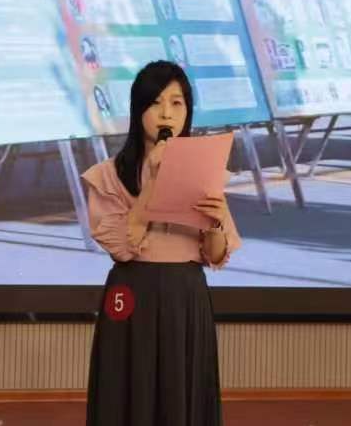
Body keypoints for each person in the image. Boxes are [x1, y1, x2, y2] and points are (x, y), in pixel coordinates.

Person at [82, 60, 241, 426]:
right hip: (131, 294)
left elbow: (216, 255)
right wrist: (154, 178)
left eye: (176, 103)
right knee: (127, 391)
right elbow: (123, 247)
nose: (166, 113)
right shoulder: (110, 174)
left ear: (188, 111)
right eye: (155, 103)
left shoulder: (205, 171)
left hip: (185, 296)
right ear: (138, 111)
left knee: (181, 394)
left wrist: (216, 221)